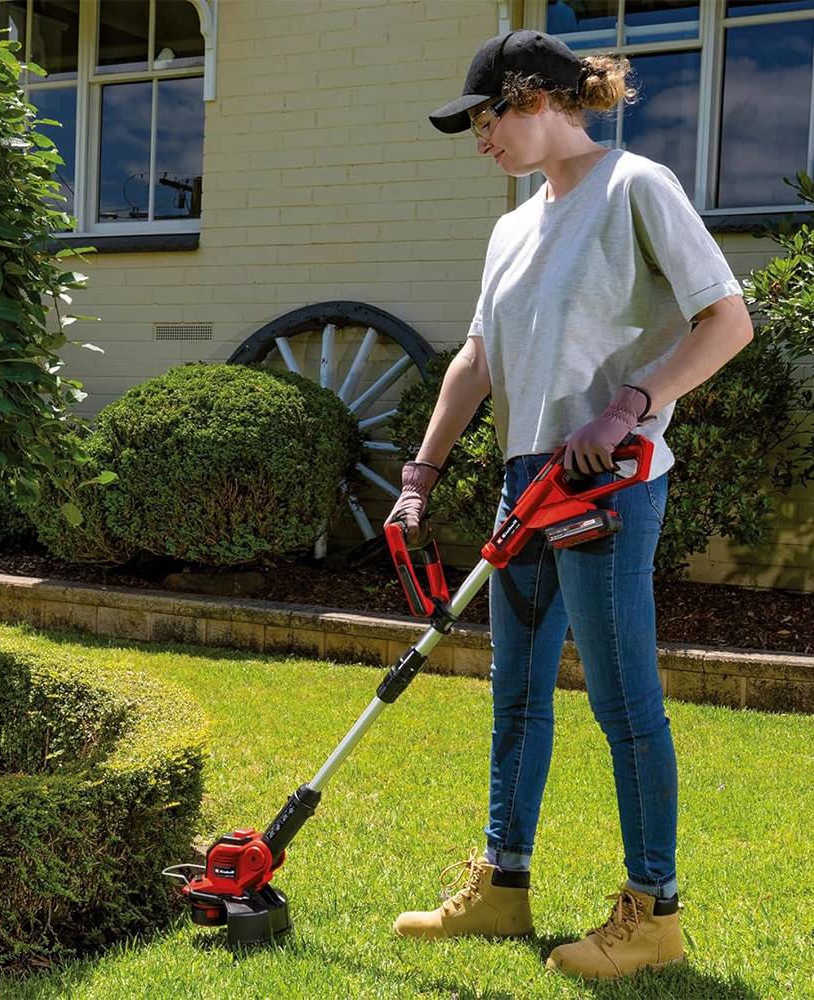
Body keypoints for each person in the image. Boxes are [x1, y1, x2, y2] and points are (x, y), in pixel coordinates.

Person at [385, 29, 753, 981]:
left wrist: (633, 404)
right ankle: (504, 885)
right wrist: (419, 477)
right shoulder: (512, 228)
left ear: (537, 98)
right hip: (526, 483)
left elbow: (729, 321)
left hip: (606, 483)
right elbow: (476, 360)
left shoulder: (636, 186)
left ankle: (655, 911)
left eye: (486, 119)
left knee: (625, 701)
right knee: (516, 695)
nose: (481, 139)